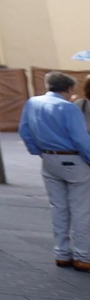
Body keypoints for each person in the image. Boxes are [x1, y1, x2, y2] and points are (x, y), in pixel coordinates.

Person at [18, 72, 90, 271]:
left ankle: (62, 254)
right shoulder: (68, 108)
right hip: (73, 160)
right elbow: (81, 139)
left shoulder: (32, 102)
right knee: (81, 209)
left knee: (58, 207)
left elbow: (24, 130)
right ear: (68, 89)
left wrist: (39, 152)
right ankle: (83, 256)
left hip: (49, 159)